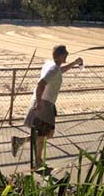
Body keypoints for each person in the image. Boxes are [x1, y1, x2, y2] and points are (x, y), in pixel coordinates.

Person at [11, 45, 82, 174]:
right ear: (60, 55)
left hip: (46, 104)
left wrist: (75, 63)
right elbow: (41, 84)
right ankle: (37, 161)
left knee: (47, 134)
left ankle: (21, 142)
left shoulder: (52, 66)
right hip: (44, 104)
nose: (67, 55)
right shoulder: (53, 69)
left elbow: (60, 70)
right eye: (66, 54)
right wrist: (39, 103)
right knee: (44, 135)